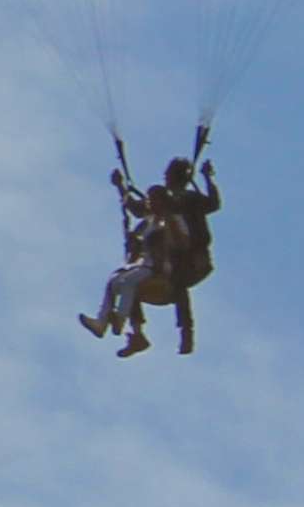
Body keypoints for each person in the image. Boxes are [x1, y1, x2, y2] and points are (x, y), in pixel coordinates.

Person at [81, 144, 222, 355]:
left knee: (173, 283)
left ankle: (185, 335)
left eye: (167, 175)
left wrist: (207, 178)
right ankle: (136, 335)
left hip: (189, 256)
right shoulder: (161, 206)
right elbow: (140, 209)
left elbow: (213, 204)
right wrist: (121, 187)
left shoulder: (185, 201)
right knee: (128, 281)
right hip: (165, 256)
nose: (164, 177)